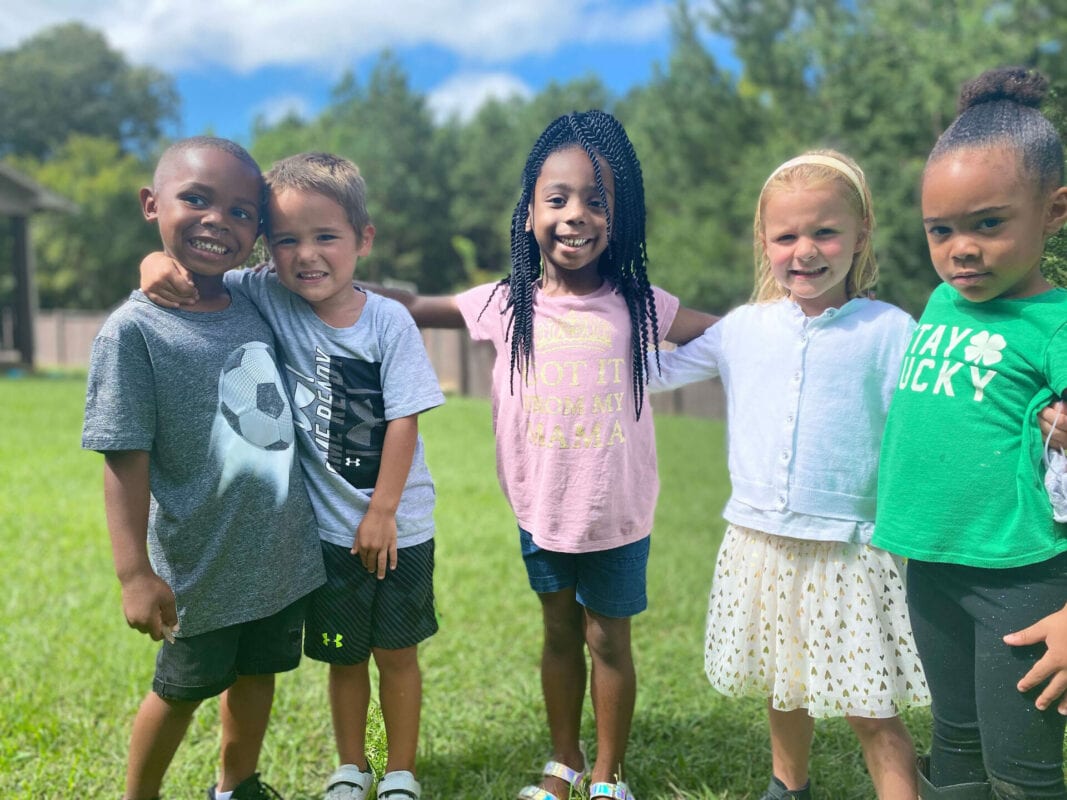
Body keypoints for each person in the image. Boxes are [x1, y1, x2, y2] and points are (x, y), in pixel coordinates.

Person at [357, 110, 715, 800]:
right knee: (557, 633)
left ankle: (608, 775)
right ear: (528, 214)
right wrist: (329, 275)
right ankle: (564, 760)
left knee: (609, 641)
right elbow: (410, 305)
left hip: (617, 514)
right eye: (557, 199)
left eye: (596, 201)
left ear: (621, 217)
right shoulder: (502, 304)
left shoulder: (641, 304)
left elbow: (732, 338)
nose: (575, 215)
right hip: (540, 508)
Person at [141, 152, 444, 800]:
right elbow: (193, 271)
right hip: (323, 536)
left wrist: (383, 509)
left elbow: (404, 420)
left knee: (396, 655)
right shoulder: (264, 294)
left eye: (326, 237)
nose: (307, 256)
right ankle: (349, 766)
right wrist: (153, 262)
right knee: (341, 657)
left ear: (363, 239)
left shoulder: (387, 322)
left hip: (398, 529)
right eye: (287, 241)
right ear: (266, 248)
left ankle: (399, 773)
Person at [646, 150, 929, 799]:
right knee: (783, 681)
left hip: (848, 550)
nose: (805, 250)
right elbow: (652, 373)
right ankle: (786, 786)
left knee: (870, 705)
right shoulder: (741, 330)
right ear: (764, 243)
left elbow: (930, 419)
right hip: (759, 543)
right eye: (786, 236)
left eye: (824, 232)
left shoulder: (889, 332)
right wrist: (595, 315)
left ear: (860, 235)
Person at [82, 136, 326, 800]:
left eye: (242, 212)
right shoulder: (133, 332)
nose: (218, 220)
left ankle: (236, 785)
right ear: (150, 203)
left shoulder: (256, 299)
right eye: (195, 199)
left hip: (276, 554)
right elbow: (122, 455)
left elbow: (329, 268)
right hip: (201, 564)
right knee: (181, 688)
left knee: (257, 676)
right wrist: (134, 572)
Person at [872, 66, 1067, 799]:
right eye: (940, 230)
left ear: (1053, 211)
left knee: (1020, 773)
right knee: (953, 747)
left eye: (988, 224)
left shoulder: (1054, 322)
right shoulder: (941, 302)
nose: (960, 249)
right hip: (933, 567)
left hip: (1022, 579)